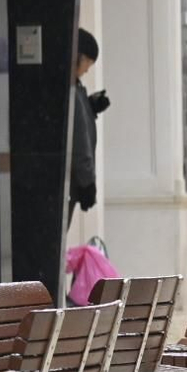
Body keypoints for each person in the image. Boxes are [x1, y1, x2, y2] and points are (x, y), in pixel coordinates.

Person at [69, 28, 110, 227]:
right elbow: (79, 140)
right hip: (72, 182)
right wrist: (87, 182)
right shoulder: (71, 91)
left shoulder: (76, 89)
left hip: (72, 182)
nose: (87, 69)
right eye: (88, 63)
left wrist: (91, 106)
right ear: (79, 56)